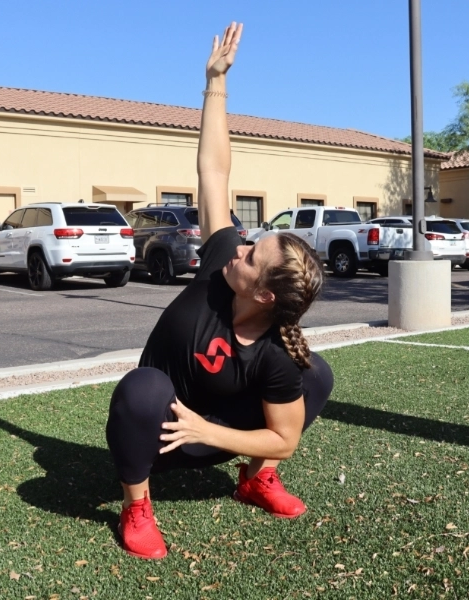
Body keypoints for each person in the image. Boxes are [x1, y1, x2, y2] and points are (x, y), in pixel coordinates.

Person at [105, 22, 334, 560]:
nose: (239, 250)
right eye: (248, 244)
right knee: (141, 388)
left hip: (210, 432)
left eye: (252, 257)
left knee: (316, 374)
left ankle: (255, 482)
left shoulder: (276, 352)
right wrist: (215, 83)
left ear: (265, 296)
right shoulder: (217, 266)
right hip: (160, 434)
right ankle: (137, 504)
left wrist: (209, 430)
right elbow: (214, 171)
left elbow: (285, 439)